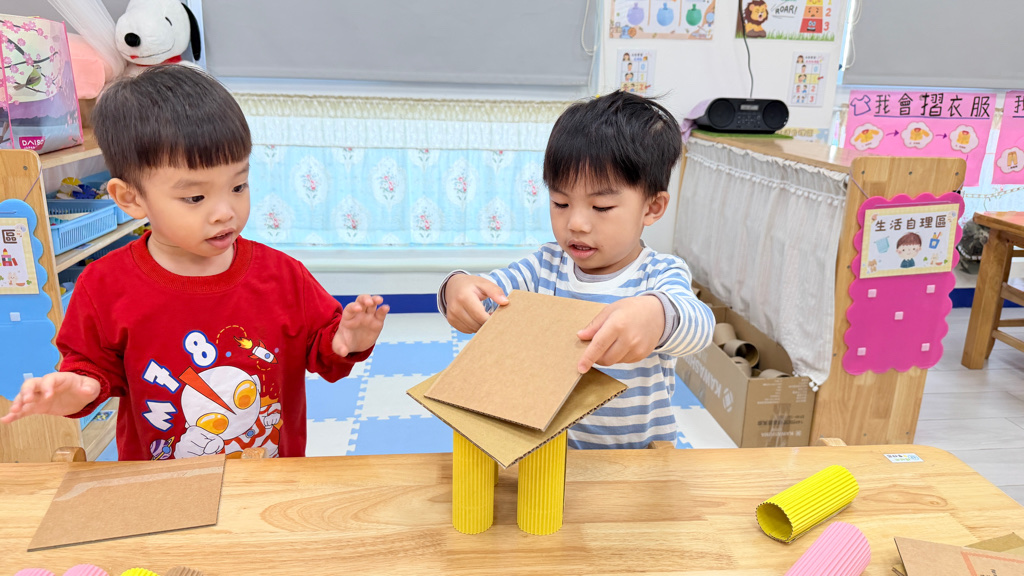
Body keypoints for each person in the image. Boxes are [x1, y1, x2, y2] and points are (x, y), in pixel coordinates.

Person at [0, 66, 389, 460]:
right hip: (160, 485)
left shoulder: (283, 276)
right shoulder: (104, 285)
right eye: (195, 198)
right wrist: (77, 389)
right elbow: (91, 370)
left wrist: (346, 340)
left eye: (238, 186)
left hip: (269, 480)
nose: (225, 212)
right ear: (131, 199)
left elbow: (324, 349)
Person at [438, 91, 714, 449]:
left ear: (652, 208)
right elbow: (488, 293)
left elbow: (699, 325)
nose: (576, 224)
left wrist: (656, 315)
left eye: (601, 207)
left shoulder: (659, 274)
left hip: (639, 456)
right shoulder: (544, 267)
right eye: (560, 203)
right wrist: (456, 288)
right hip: (553, 452)